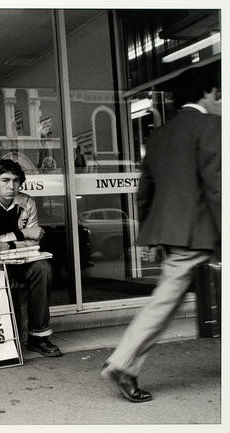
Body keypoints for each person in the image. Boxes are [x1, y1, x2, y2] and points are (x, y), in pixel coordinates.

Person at [101, 63, 221, 403]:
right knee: (164, 302)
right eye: (218, 94)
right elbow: (217, 187)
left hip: (172, 233)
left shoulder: (160, 135)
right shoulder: (210, 125)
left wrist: (151, 235)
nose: (220, 100)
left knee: (166, 301)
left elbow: (145, 192)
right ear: (208, 93)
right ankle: (122, 363)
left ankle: (125, 363)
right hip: (199, 233)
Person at [0, 158, 61, 357]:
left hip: (23, 258)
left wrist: (8, 242)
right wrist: (23, 234)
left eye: (16, 180)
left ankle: (38, 336)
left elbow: (34, 240)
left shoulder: (27, 202)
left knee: (43, 269)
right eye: (5, 180)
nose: (11, 186)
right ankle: (2, 339)